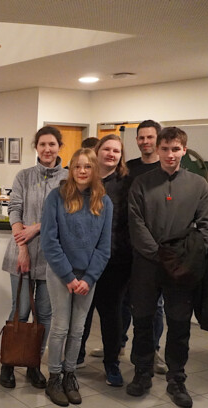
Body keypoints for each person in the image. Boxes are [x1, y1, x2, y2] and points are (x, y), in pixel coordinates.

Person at [126, 126, 208, 408]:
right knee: (142, 320)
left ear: (184, 151)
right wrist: (158, 254)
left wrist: (183, 257)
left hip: (181, 267)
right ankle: (142, 372)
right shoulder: (141, 183)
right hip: (147, 263)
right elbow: (136, 222)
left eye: (175, 149)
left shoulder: (199, 185)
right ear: (158, 150)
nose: (169, 154)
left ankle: (177, 378)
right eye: (164, 149)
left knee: (179, 324)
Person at [95, 120, 166, 374]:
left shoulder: (164, 168)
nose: (146, 142)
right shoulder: (129, 170)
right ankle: (117, 346)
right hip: (114, 252)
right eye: (141, 137)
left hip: (142, 251)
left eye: (150, 137)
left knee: (151, 306)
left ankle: (152, 352)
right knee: (120, 306)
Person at [42, 148, 112, 406]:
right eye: (77, 167)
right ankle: (54, 377)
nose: (82, 171)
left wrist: (89, 277)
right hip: (62, 274)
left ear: (94, 171)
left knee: (78, 329)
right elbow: (49, 242)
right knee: (60, 327)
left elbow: (104, 247)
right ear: (71, 170)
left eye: (87, 167)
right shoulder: (56, 198)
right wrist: (69, 277)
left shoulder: (104, 202)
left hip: (87, 277)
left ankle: (70, 373)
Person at [0, 126, 68, 389]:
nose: (47, 149)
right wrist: (23, 247)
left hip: (52, 258)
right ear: (36, 147)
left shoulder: (68, 179)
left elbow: (65, 215)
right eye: (42, 145)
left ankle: (32, 364)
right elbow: (14, 210)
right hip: (21, 254)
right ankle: (8, 364)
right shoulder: (24, 176)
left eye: (52, 144)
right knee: (20, 311)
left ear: (59, 146)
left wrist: (37, 228)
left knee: (45, 315)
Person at [76, 135, 132, 387]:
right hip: (83, 259)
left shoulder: (128, 184)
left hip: (115, 260)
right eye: (106, 149)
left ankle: (112, 363)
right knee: (82, 312)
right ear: (97, 152)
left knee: (111, 314)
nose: (111, 154)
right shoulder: (85, 179)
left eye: (116, 151)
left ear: (121, 156)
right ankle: (75, 356)